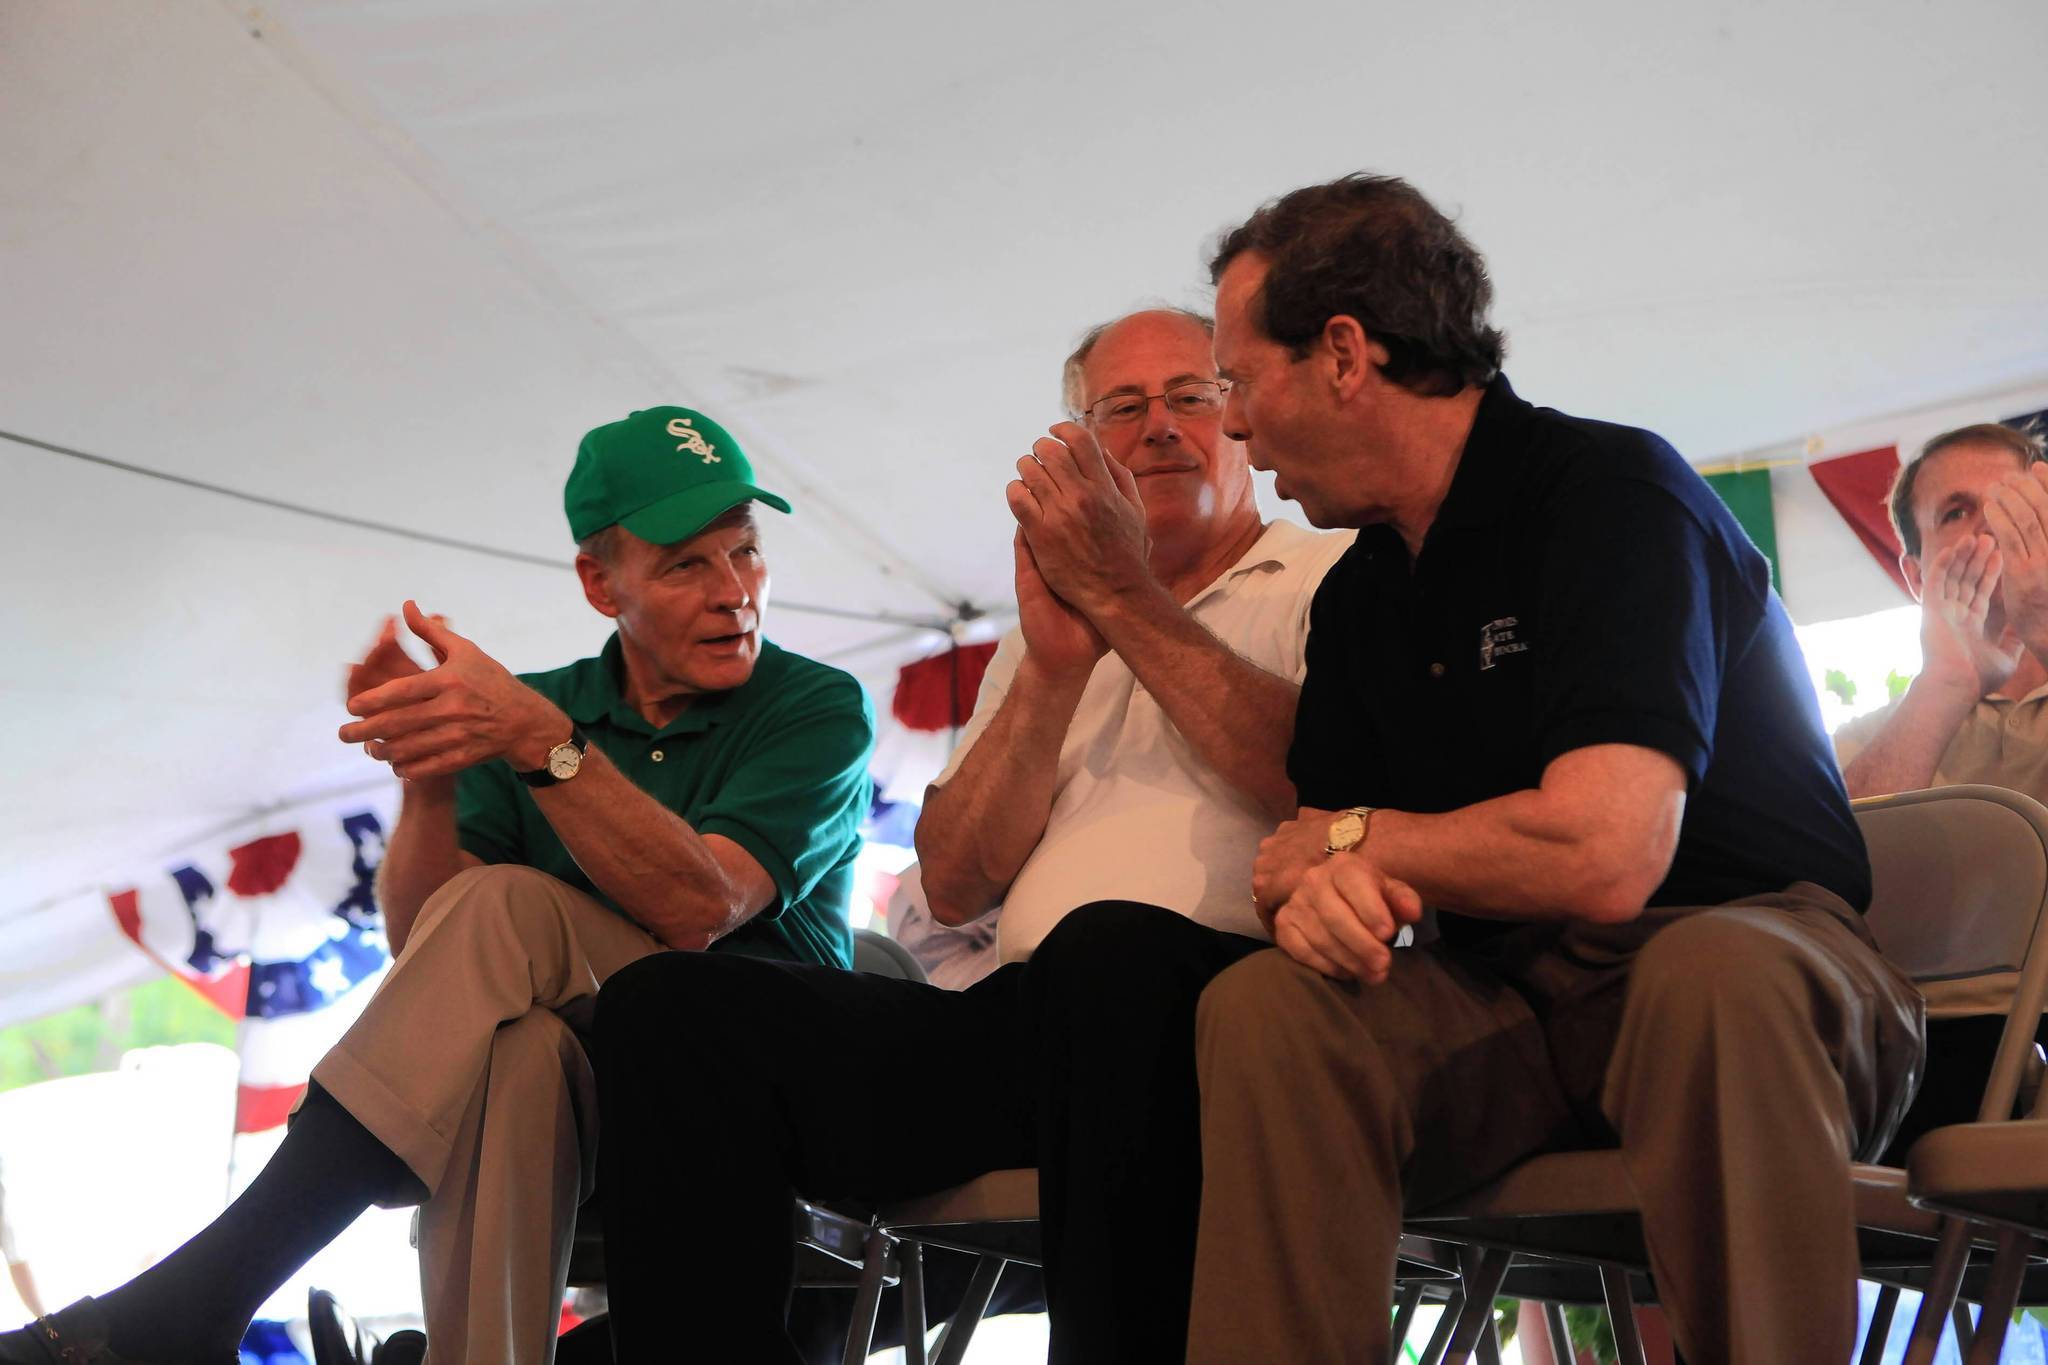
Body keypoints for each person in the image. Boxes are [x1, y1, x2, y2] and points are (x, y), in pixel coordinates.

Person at [1028, 173, 1926, 1365]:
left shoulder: (1610, 492)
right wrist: (1321, 893)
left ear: (1345, 354)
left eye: (1238, 381)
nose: (1232, 424)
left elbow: (1609, 850)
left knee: (1711, 976)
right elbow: (1314, 849)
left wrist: (1359, 845)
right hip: (1504, 994)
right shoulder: (1359, 595)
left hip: (1748, 951)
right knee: (1266, 1005)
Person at [0, 407, 874, 1365]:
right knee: (520, 1048)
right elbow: (428, 943)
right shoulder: (538, 712)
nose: (733, 592)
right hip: (602, 1107)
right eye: (686, 565)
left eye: (745, 552)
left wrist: (544, 745)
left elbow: (701, 907)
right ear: (599, 581)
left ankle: (196, 1302)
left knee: (508, 904)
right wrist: (428, 778)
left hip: (762, 1103)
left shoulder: (812, 705)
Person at [589, 307, 1352, 1362]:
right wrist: (1048, 670)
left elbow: (1325, 781)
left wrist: (1130, 604)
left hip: (1228, 1016)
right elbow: (951, 884)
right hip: (1035, 1020)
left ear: (1244, 416)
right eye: (1121, 408)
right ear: (1084, 447)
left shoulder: (1329, 574)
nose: (1160, 427)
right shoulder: (1040, 635)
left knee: (1110, 953)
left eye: (1192, 393)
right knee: (671, 1010)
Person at [1833, 420, 2048, 1156]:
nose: (1995, 527)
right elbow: (1818, 891)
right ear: (1917, 573)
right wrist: (1946, 683)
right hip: (1909, 1048)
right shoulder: (1864, 740)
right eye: (1959, 512)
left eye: (2019, 504)